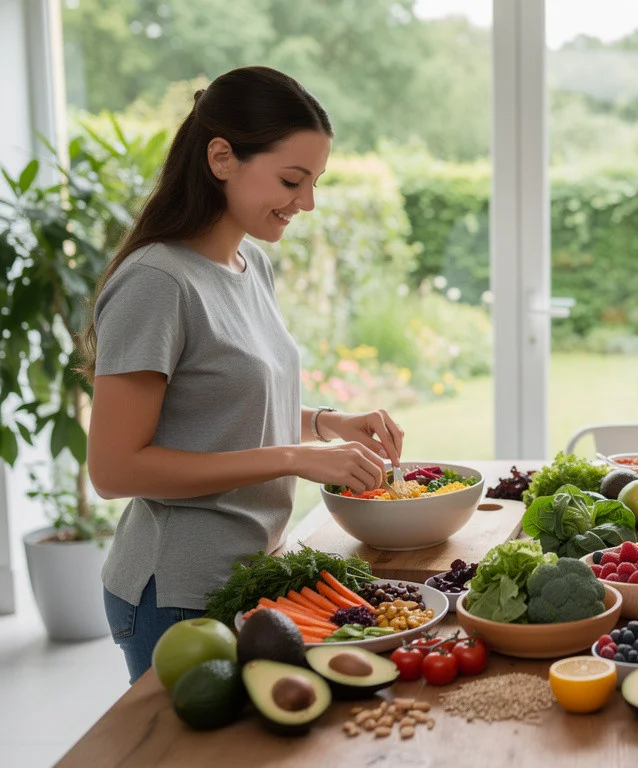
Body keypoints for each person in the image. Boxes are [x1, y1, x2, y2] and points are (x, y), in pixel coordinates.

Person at [80, 66, 403, 682]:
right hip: (177, 594)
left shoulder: (249, 262)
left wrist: (327, 424)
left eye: (315, 182)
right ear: (222, 158)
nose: (306, 203)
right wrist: (294, 456)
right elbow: (115, 470)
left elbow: (222, 410)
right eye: (291, 180)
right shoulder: (157, 282)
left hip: (251, 576)